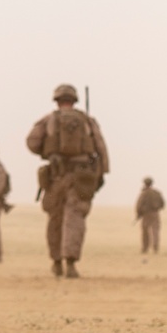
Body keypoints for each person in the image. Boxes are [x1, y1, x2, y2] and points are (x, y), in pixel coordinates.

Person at [26, 84, 109, 279]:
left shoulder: (48, 120)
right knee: (75, 220)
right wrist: (102, 172)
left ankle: (56, 262)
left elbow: (31, 142)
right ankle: (70, 263)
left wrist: (49, 152)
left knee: (55, 220)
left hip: (56, 177)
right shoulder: (87, 121)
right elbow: (101, 147)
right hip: (81, 178)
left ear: (57, 100)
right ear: (75, 100)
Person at [135, 176, 165, 254]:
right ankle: (155, 247)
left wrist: (138, 214)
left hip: (146, 215)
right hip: (155, 214)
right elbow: (162, 203)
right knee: (155, 231)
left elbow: (139, 205)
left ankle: (145, 248)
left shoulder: (144, 193)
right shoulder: (156, 193)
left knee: (145, 232)